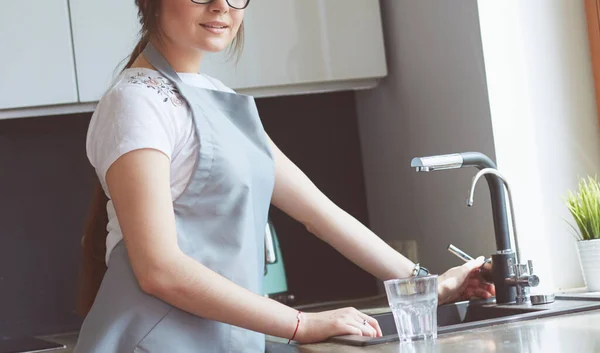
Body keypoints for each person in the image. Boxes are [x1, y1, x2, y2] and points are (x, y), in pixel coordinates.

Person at [75, 0, 495, 352]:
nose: (222, 5)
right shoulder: (136, 102)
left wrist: (427, 287)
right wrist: (301, 324)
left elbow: (321, 215)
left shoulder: (220, 98)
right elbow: (159, 269)